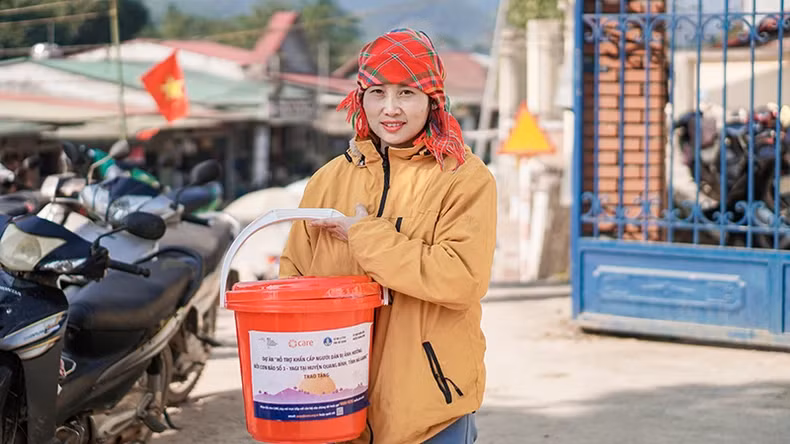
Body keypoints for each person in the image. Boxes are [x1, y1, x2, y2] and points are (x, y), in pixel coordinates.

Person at [279, 28, 497, 444]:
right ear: (360, 98)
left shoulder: (464, 178)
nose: (390, 109)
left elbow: (461, 279)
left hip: (431, 407)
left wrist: (365, 236)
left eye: (407, 93)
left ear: (432, 101)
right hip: (336, 405)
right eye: (377, 92)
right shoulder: (327, 180)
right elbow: (295, 279)